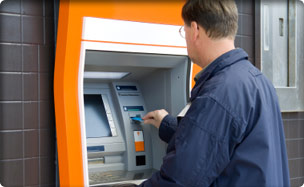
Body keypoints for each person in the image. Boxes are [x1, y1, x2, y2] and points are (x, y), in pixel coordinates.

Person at [139, 0, 290, 186]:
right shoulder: (257, 80)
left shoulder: (218, 93)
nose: (184, 37)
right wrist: (167, 124)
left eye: (183, 31)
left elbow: (180, 180)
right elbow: (220, 140)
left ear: (195, 30)